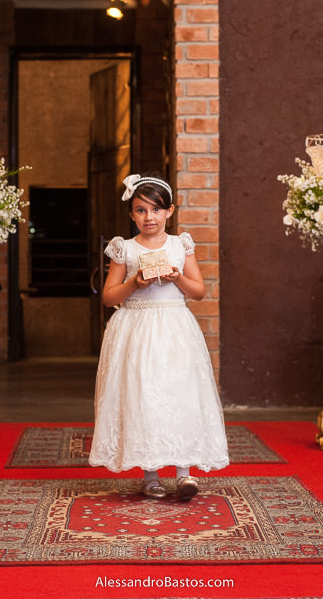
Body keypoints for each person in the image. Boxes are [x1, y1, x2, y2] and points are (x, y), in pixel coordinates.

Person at [88, 174, 228, 500]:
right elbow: (109, 297)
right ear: (131, 214)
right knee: (143, 394)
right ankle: (150, 473)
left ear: (169, 211)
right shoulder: (125, 248)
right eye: (140, 210)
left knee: (180, 392)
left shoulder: (181, 245)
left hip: (174, 327)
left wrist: (178, 277)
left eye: (155, 210)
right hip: (137, 327)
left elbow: (199, 291)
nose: (148, 217)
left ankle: (184, 474)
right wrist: (134, 284)